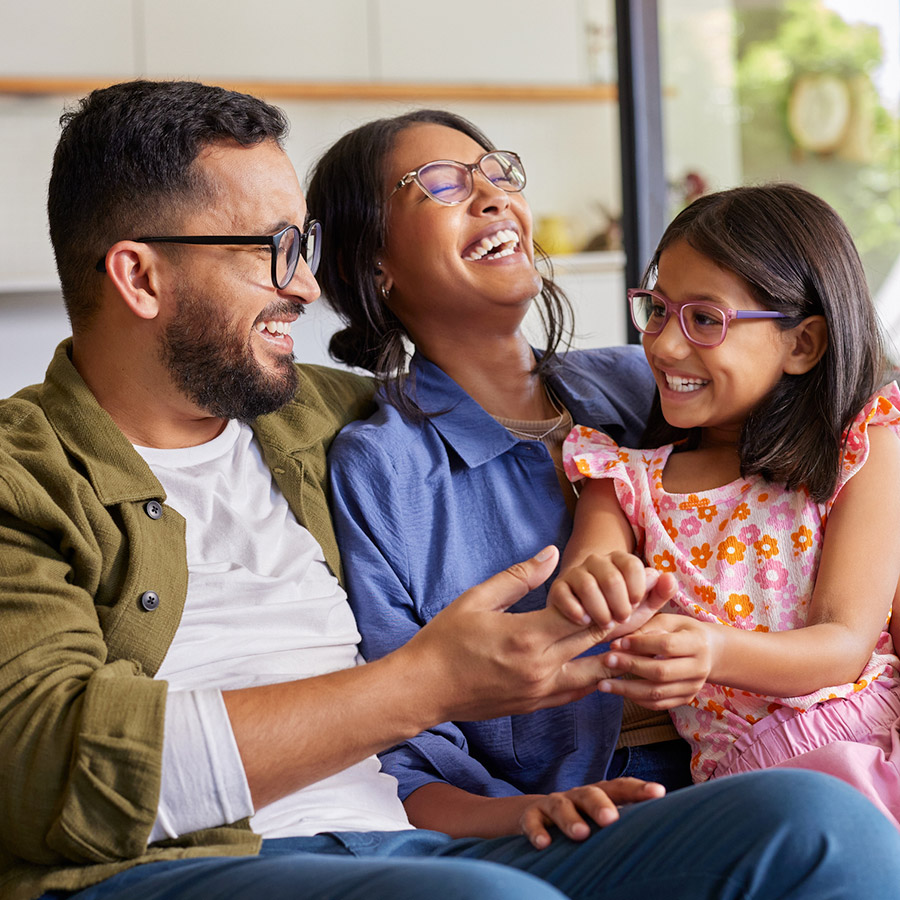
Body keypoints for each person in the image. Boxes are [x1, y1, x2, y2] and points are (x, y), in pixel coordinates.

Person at [2, 80, 899, 900]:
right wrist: (426, 687)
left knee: (824, 829)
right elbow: (41, 765)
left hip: (419, 839)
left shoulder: (308, 415)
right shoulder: (32, 473)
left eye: (306, 248)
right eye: (273, 251)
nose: (308, 288)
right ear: (140, 274)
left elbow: (827, 427)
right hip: (214, 854)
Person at [307, 110, 694, 846]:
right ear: (374, 265)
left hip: (766, 740)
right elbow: (402, 748)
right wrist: (518, 816)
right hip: (583, 822)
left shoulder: (646, 381)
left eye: (495, 173)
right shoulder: (383, 467)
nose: (491, 196)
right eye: (444, 185)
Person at [549, 183, 900, 827]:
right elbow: (586, 573)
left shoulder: (862, 448)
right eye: (657, 310)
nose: (664, 345)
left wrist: (711, 650)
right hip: (742, 792)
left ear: (803, 344)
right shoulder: (624, 479)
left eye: (705, 320)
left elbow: (844, 643)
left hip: (871, 751)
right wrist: (595, 586)